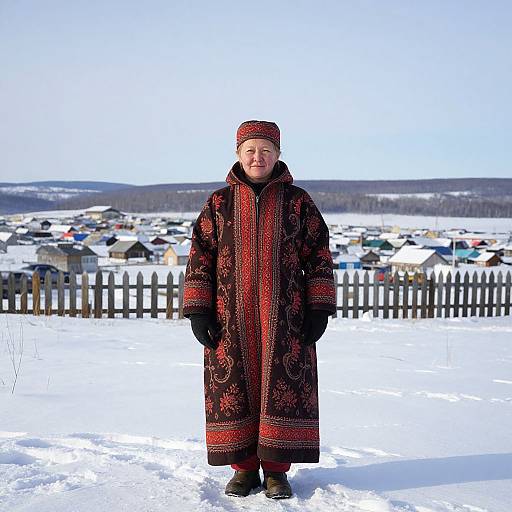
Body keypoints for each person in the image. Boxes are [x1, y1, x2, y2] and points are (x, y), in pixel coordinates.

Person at [184, 120, 336, 499]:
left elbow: (318, 254)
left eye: (266, 150)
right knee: (235, 386)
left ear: (278, 155)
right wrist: (198, 310)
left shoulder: (299, 202)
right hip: (229, 318)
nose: (258, 157)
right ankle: (244, 470)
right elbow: (201, 256)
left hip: (285, 318)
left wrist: (319, 306)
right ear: (238, 154)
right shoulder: (219, 202)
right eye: (250, 150)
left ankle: (277, 472)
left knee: (281, 388)